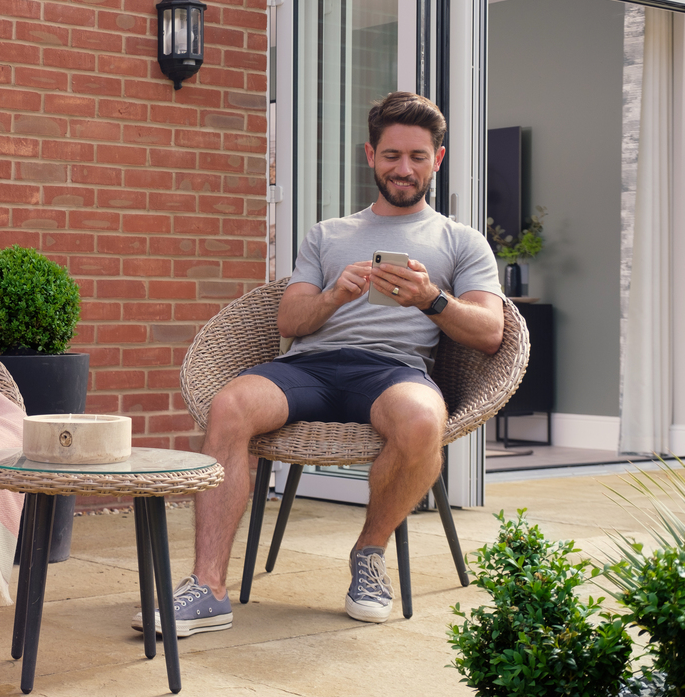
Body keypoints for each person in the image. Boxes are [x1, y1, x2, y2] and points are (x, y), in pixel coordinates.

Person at [136, 91, 505, 636]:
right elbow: (289, 321)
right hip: (310, 368)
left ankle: (368, 555)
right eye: (391, 155)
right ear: (370, 155)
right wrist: (335, 295)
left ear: (438, 160)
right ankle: (208, 588)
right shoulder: (328, 235)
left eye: (418, 157)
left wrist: (430, 297)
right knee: (231, 404)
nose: (403, 169)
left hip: (393, 371)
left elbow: (492, 332)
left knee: (423, 419)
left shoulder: (461, 241)